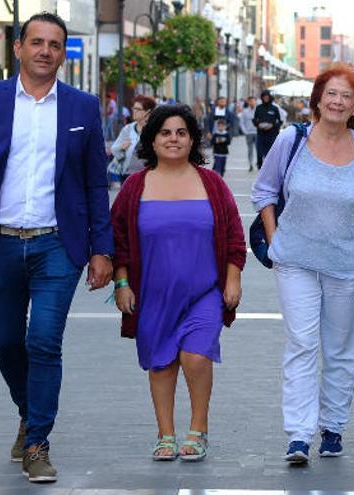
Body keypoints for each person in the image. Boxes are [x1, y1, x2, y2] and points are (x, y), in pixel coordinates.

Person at [0, 13, 113, 483]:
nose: (46, 51)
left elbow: (94, 185)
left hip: (57, 245)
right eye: (37, 42)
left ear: (64, 54)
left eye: (55, 45)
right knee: (5, 341)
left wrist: (101, 249)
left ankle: (38, 442)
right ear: (18, 47)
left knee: (43, 341)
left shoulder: (82, 108)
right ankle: (28, 409)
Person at [251, 64, 354, 464]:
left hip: (350, 265)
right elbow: (263, 190)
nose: (337, 101)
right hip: (295, 261)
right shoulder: (290, 139)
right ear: (317, 98)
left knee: (341, 349)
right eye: (331, 93)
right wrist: (276, 240)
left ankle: (333, 426)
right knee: (301, 344)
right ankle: (298, 433)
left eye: (347, 96)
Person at [111, 104, 246, 464]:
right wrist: (121, 283)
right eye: (165, 133)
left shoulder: (211, 184)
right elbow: (118, 241)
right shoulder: (134, 187)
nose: (173, 139)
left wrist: (233, 279)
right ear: (152, 141)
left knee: (196, 356)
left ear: (192, 140)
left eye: (181, 133)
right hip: (152, 294)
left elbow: (234, 235)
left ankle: (198, 429)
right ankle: (165, 433)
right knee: (161, 363)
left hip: (204, 292)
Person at [110, 95, 156, 183]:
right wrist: (121, 147)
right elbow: (114, 149)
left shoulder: (155, 129)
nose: (134, 111)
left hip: (148, 175)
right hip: (127, 175)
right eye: (133, 108)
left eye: (138, 109)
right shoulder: (128, 129)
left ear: (148, 112)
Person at [253, 90, 283, 169]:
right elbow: (254, 120)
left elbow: (280, 121)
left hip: (272, 134)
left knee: (270, 153)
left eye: (267, 97)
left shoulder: (274, 108)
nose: (266, 98)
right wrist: (258, 124)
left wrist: (272, 125)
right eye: (264, 97)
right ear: (262, 98)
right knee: (259, 152)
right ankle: (259, 166)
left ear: (270, 98)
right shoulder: (259, 108)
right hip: (261, 134)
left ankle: (269, 168)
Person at [239, 96, 258, 171]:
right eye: (250, 101)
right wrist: (245, 131)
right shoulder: (245, 111)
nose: (252, 103)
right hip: (249, 133)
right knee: (250, 149)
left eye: (253, 101)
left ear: (255, 101)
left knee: (258, 149)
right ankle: (250, 164)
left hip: (257, 132)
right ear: (248, 102)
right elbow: (241, 122)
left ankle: (259, 163)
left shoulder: (258, 110)